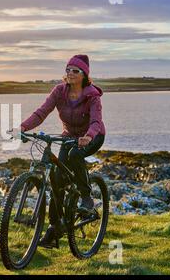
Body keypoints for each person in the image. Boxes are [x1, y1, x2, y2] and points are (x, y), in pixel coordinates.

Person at [19, 54, 106, 248]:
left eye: (75, 71)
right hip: (69, 137)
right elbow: (42, 112)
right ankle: (54, 227)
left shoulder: (92, 95)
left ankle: (86, 198)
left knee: (75, 155)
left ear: (84, 74)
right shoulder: (59, 91)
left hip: (93, 136)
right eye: (68, 70)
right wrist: (23, 128)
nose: (70, 73)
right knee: (57, 180)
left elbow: (96, 121)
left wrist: (89, 136)